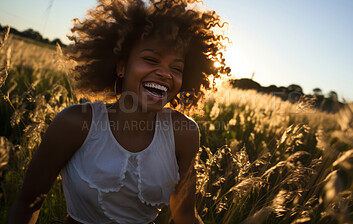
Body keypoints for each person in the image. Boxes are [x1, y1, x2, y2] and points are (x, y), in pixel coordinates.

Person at [8, 0, 230, 223]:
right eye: (151, 59)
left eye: (176, 68)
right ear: (122, 66)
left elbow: (185, 215)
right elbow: (27, 204)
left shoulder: (183, 133)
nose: (165, 74)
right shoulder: (76, 123)